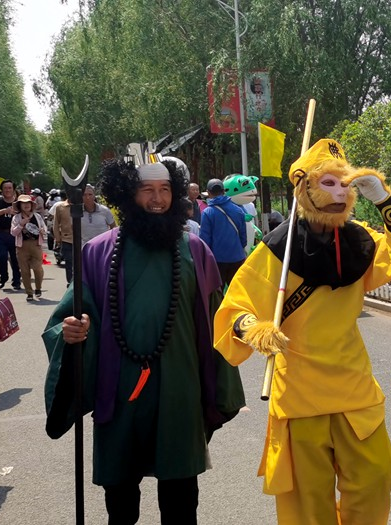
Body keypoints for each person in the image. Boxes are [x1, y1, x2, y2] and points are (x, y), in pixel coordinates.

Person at [214, 138, 391, 524]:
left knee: (374, 483)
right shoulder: (277, 249)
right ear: (304, 189)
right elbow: (234, 308)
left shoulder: (359, 239)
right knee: (309, 502)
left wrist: (384, 199)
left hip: (354, 389)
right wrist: (255, 328)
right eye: (328, 183)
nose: (340, 192)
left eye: (346, 184)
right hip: (300, 394)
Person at [43, 156, 246, 524]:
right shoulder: (98, 252)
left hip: (179, 391)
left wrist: (226, 373)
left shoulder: (196, 251)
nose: (157, 199)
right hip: (119, 390)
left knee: (182, 501)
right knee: (120, 503)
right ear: (128, 195)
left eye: (165, 190)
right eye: (147, 190)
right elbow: (68, 315)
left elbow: (219, 321)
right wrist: (70, 330)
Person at [199, 178, 247, 285]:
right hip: (237, 257)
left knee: (217, 294)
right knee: (236, 292)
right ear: (224, 191)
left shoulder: (207, 212)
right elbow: (243, 237)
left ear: (209, 193)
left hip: (217, 260)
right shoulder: (238, 210)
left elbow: (205, 239)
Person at [10, 194, 47, 301]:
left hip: (36, 244)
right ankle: (29, 293)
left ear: (31, 205)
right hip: (22, 246)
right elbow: (13, 232)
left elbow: (44, 229)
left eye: (28, 203)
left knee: (38, 268)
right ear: (20, 205)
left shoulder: (37, 216)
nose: (26, 205)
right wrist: (21, 224)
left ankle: (38, 288)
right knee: (25, 271)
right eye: (23, 203)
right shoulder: (16, 218)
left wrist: (42, 231)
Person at [0, 180, 22, 290]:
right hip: (1, 233)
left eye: (10, 188)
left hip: (15, 234)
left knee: (15, 258)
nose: (8, 190)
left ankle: (17, 281)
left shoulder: (19, 202)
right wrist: (5, 211)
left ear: (13, 189)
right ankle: (3, 278)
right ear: (2, 190)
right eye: (5, 188)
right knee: (1, 257)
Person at [52, 192, 74, 283]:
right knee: (69, 262)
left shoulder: (82, 206)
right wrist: (58, 239)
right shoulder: (60, 207)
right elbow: (56, 224)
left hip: (82, 240)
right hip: (66, 239)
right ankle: (70, 283)